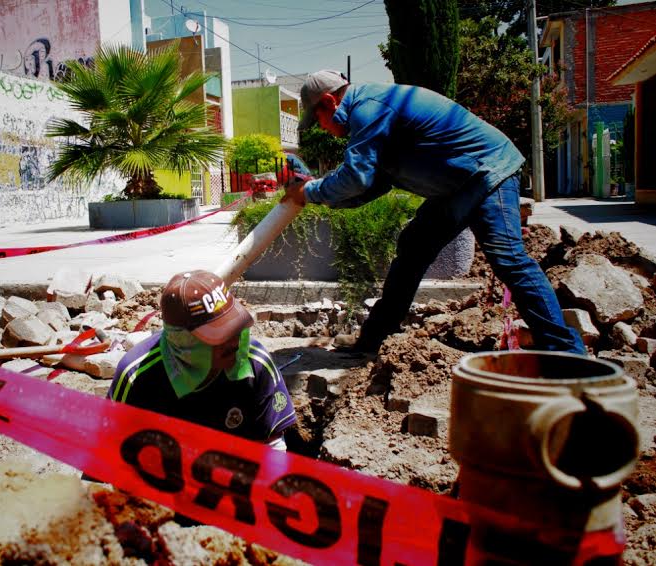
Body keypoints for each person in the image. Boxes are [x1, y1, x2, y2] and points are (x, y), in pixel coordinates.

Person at [284, 70, 585, 356]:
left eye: (319, 119)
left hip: (489, 173)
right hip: (457, 190)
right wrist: (318, 195)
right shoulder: (369, 119)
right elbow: (369, 186)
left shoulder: (368, 108)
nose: (322, 127)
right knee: (413, 248)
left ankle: (568, 355)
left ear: (329, 102)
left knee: (509, 261)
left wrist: (309, 191)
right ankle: (375, 338)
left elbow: (356, 177)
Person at [108, 270, 297, 450]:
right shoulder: (137, 376)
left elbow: (272, 446)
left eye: (234, 326)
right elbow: (104, 454)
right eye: (221, 334)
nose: (235, 340)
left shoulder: (255, 363)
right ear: (183, 342)